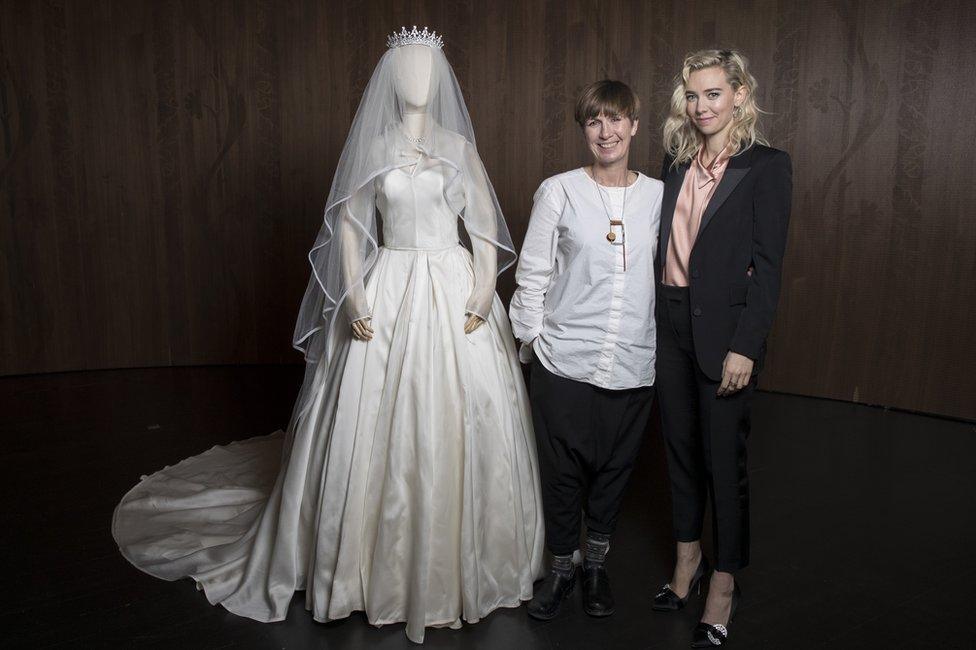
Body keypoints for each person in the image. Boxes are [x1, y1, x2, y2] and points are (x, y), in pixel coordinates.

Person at [112, 26, 544, 644]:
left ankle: (459, 564)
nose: (417, 77)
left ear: (441, 76)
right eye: (407, 66)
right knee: (369, 423)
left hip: (450, 290)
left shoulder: (458, 147)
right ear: (391, 79)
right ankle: (363, 568)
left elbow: (480, 225)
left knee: (461, 416)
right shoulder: (375, 146)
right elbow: (349, 225)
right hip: (388, 284)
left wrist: (481, 291)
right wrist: (357, 293)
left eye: (427, 65)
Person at [651, 49, 792, 647]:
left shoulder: (766, 166)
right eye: (692, 95)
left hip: (725, 337)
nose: (702, 106)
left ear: (738, 94)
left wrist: (746, 348)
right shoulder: (676, 162)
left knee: (722, 463)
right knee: (680, 453)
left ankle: (724, 583)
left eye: (713, 93)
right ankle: (687, 562)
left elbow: (769, 266)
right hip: (673, 323)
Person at [510, 80, 663, 620]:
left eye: (616, 119)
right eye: (595, 121)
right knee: (562, 472)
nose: (607, 131)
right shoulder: (559, 191)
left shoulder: (659, 196)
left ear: (635, 126)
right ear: (584, 130)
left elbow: (679, 267)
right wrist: (532, 341)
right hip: (565, 359)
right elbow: (532, 273)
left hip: (632, 359)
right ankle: (562, 568)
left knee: (615, 470)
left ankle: (596, 566)